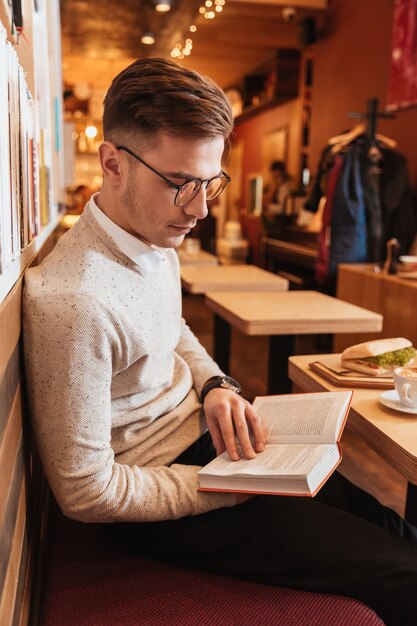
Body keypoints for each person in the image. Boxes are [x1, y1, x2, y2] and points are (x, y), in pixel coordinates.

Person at [23, 58, 417, 626]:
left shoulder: (150, 236)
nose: (201, 210)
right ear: (113, 163)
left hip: (214, 444)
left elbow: (171, 329)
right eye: (182, 184)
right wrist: (222, 489)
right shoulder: (75, 300)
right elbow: (86, 493)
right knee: (402, 574)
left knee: (390, 524)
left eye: (211, 183)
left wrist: (216, 385)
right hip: (172, 499)